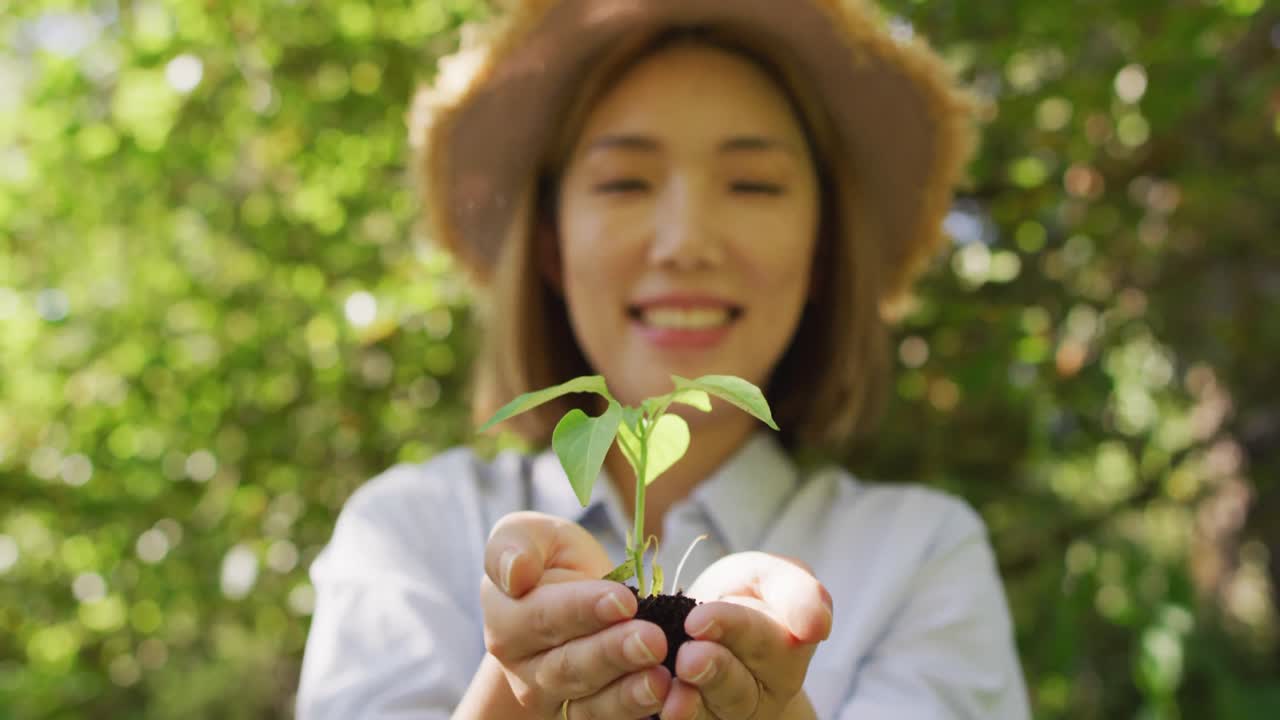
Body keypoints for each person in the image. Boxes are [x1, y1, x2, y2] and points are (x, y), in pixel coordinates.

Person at [297, 1, 1031, 718]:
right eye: (624, 182)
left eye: (753, 185)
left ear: (822, 246)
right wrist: (516, 693)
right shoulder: (412, 534)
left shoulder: (918, 557)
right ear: (551, 244)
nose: (685, 241)